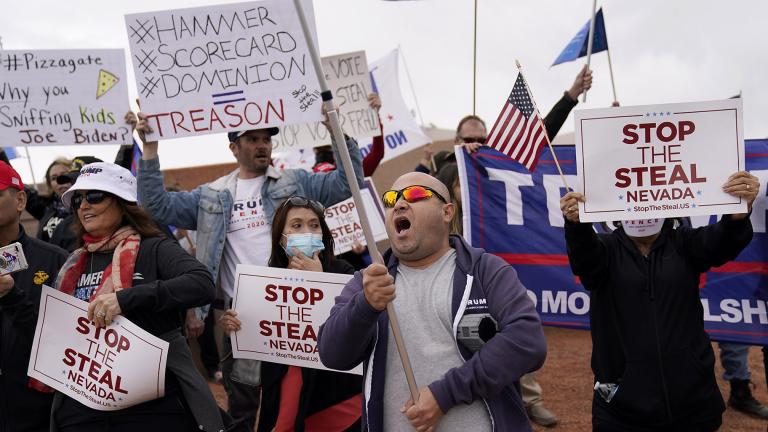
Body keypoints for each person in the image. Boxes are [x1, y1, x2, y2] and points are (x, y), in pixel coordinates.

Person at [129, 106, 365, 429]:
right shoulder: (212, 196)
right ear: (233, 148)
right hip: (243, 318)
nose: (262, 145)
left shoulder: (294, 181)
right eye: (252, 139)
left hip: (296, 309)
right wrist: (151, 149)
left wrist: (336, 130)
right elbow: (155, 206)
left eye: (266, 138)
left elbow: (347, 183)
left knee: (301, 399)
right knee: (244, 405)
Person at [319, 172, 547, 431]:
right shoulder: (368, 282)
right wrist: (365, 306)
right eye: (392, 199)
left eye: (416, 195)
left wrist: (445, 394)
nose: (400, 204)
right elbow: (332, 354)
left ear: (447, 212)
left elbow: (528, 341)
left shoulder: (485, 270)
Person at [560, 171, 760, 431]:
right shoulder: (605, 249)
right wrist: (577, 226)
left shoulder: (684, 242)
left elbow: (721, 242)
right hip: (623, 409)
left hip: (693, 403)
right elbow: (585, 261)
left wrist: (737, 214)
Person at [50, 162, 223, 431]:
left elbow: (202, 283)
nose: (83, 205)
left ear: (123, 202)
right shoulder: (73, 262)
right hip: (85, 406)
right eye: (77, 199)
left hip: (150, 407)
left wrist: (125, 299)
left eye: (94, 196)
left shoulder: (153, 248)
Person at [221, 196, 362, 431]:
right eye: (297, 225)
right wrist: (234, 326)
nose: (307, 231)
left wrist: (319, 280)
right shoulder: (264, 281)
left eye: (314, 225)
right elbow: (256, 338)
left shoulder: (343, 271)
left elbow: (354, 322)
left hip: (334, 392)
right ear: (281, 237)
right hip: (285, 385)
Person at [0, 161, 68, 432]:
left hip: (39, 414)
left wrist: (12, 297)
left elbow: (63, 341)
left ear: (20, 200)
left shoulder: (56, 261)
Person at [313, 93, 386, 177]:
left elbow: (377, 153)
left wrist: (374, 115)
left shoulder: (354, 173)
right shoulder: (310, 182)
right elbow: (377, 153)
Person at [23, 157, 72, 242]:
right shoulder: (46, 207)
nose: (59, 181)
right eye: (53, 178)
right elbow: (16, 184)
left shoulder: (86, 204)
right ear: (50, 185)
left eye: (63, 175)